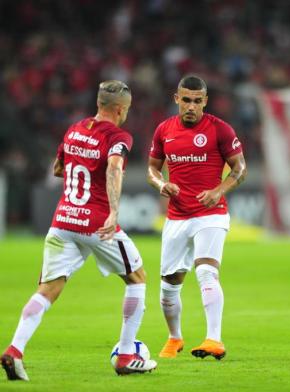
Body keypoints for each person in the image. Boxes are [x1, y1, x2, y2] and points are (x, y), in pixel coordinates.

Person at [1, 80, 157, 381]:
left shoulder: (74, 129)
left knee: (48, 290)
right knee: (137, 277)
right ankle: (126, 355)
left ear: (98, 104)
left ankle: (15, 350)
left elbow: (58, 168)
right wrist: (113, 211)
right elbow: (113, 167)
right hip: (96, 223)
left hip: (62, 222)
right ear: (121, 109)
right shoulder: (119, 135)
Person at [147, 75, 247, 360]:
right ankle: (174, 338)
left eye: (197, 101)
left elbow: (240, 169)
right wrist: (161, 184)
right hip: (177, 216)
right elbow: (152, 170)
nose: (191, 106)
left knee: (206, 271)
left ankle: (214, 340)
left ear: (205, 101)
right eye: (186, 100)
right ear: (176, 98)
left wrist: (219, 189)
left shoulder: (220, 130)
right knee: (168, 286)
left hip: (211, 214)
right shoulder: (164, 130)